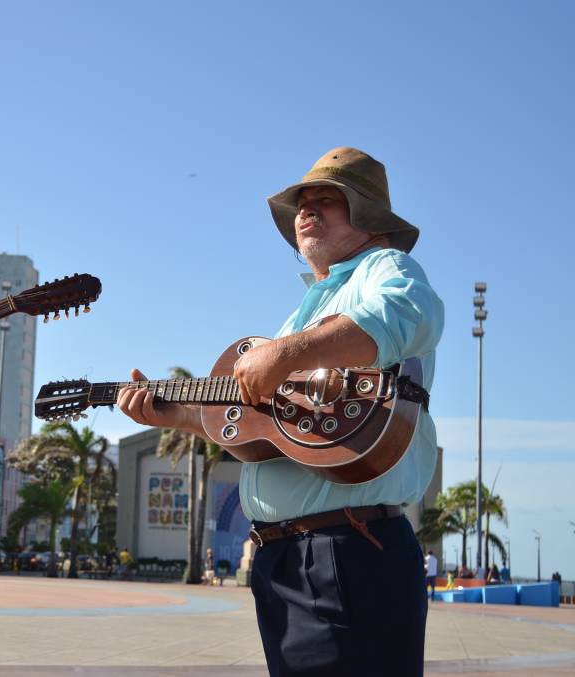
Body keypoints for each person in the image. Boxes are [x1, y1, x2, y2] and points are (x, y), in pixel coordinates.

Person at [117, 147, 443, 676]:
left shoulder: (386, 267)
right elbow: (262, 426)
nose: (306, 210)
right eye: (301, 203)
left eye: (326, 200)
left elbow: (409, 314)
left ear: (368, 217)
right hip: (290, 559)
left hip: (346, 549)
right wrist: (172, 416)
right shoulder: (301, 313)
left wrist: (285, 354)